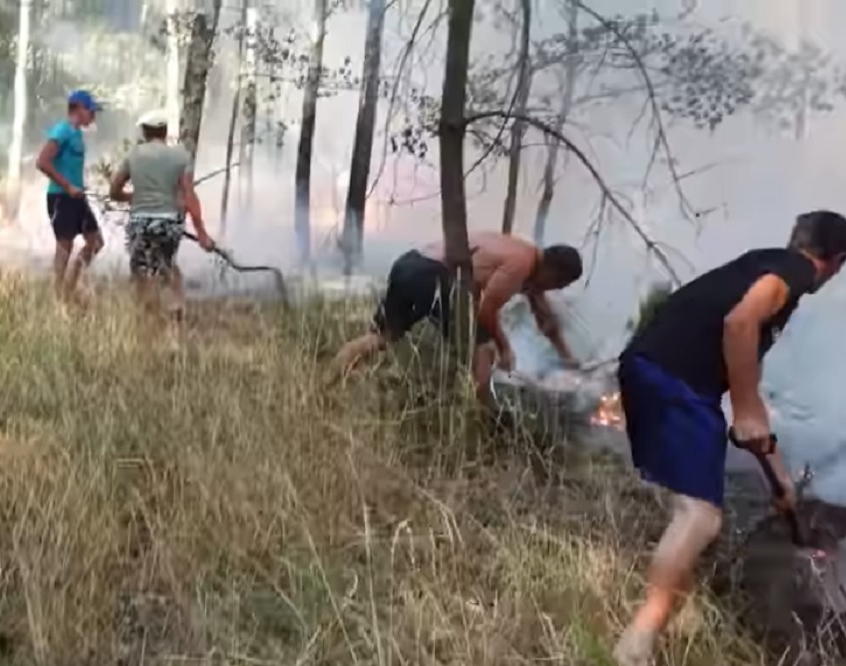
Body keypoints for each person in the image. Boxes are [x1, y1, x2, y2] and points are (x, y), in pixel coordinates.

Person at [612, 210, 846, 666]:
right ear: (836, 261)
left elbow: (747, 378)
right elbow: (739, 324)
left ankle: (683, 616)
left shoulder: (762, 264)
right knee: (701, 517)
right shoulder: (795, 272)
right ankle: (636, 643)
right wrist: (743, 409)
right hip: (675, 381)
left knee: (693, 508)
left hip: (657, 373)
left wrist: (780, 478)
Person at [329, 231, 582, 398]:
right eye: (560, 284)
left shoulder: (528, 257)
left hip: (409, 264)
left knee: (381, 337)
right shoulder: (521, 263)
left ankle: (324, 388)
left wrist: (569, 359)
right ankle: (482, 419)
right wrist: (505, 348)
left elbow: (546, 320)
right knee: (485, 349)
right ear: (553, 272)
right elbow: (486, 311)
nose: (556, 290)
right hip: (434, 274)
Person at [108, 110, 213, 316]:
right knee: (167, 263)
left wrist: (132, 197)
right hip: (169, 222)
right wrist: (201, 233)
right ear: (164, 132)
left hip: (140, 222)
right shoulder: (181, 156)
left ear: (144, 132)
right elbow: (189, 196)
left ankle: (147, 312)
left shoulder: (133, 155)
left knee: (141, 270)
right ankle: (176, 305)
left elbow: (114, 191)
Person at [35, 89, 104, 303]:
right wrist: (67, 186)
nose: (93, 116)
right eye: (91, 111)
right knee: (64, 247)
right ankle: (57, 296)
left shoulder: (77, 133)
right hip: (60, 197)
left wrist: (78, 187)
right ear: (78, 109)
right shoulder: (62, 131)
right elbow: (42, 162)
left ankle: (70, 286)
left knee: (96, 242)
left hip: (76, 197)